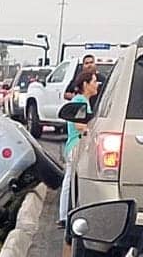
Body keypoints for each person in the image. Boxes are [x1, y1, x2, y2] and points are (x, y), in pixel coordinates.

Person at [59, 70, 99, 237]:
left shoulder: (82, 101)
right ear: (85, 84)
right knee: (70, 181)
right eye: (94, 81)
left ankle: (65, 215)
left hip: (76, 146)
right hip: (76, 146)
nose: (97, 84)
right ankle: (64, 216)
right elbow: (79, 126)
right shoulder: (80, 101)